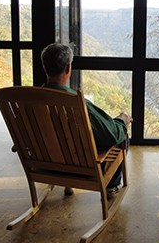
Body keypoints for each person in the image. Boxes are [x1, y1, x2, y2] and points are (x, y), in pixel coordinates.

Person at [40, 42, 132, 198]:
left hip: (46, 165)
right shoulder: (76, 103)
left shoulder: (30, 102)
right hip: (80, 168)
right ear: (68, 68)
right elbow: (113, 135)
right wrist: (122, 120)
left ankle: (67, 182)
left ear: (45, 67)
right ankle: (111, 186)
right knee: (122, 136)